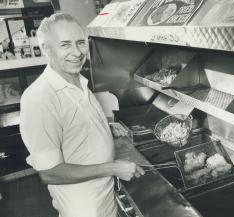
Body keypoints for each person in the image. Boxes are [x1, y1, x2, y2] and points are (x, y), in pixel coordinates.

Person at [19, 13, 144, 217]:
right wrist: (112, 168)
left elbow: (73, 126)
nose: (77, 52)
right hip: (84, 209)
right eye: (65, 45)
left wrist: (104, 129)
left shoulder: (78, 81)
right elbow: (50, 172)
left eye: (80, 43)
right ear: (46, 49)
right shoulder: (39, 98)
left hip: (104, 198)